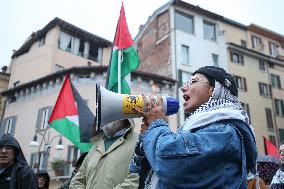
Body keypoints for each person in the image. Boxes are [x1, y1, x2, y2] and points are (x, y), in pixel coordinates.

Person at [133, 66, 257, 189]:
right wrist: (146, 141)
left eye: (193, 81)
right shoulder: (197, 128)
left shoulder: (225, 132)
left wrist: (157, 124)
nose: (183, 87)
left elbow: (171, 164)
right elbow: (142, 172)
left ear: (213, 89)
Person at [69, 119, 139, 189]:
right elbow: (77, 180)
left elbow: (135, 180)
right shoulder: (96, 145)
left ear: (125, 117)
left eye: (111, 112)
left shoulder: (138, 143)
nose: (106, 117)